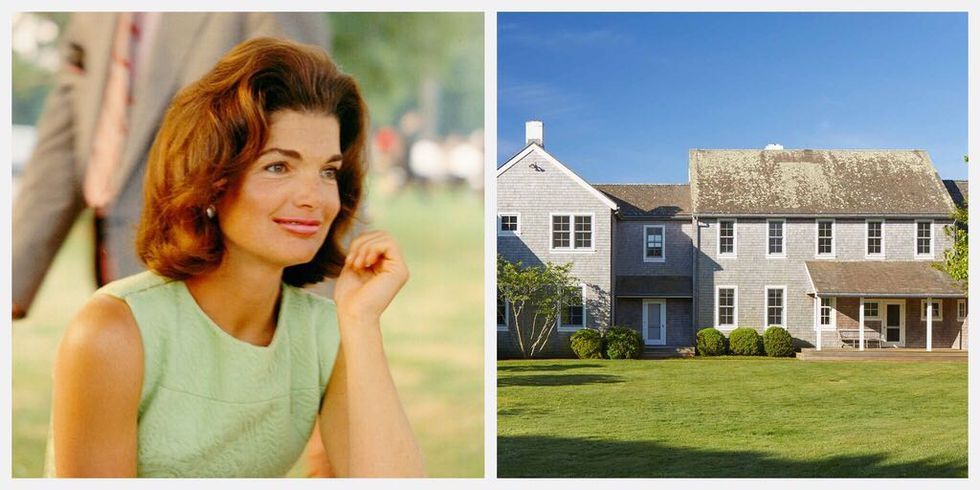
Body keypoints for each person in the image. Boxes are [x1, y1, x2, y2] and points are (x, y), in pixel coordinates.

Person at [48, 37, 424, 478]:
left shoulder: (327, 334)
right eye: (278, 166)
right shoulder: (113, 332)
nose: (314, 198)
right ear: (212, 179)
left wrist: (361, 323)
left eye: (328, 171)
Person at [12, 12, 328, 319]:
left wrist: (318, 318)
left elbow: (306, 123)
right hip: (114, 256)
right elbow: (66, 134)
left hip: (217, 270)